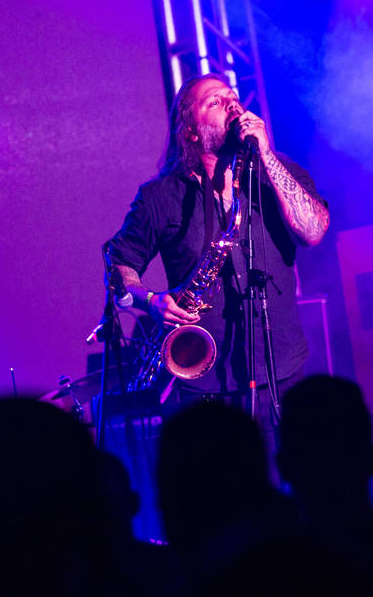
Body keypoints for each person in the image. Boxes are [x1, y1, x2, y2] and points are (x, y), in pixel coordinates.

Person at [108, 73, 328, 421]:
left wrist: (267, 156)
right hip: (205, 386)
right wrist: (150, 302)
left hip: (282, 371)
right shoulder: (159, 197)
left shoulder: (278, 172)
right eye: (215, 102)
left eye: (232, 97)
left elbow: (314, 232)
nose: (231, 104)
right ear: (192, 132)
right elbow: (118, 266)